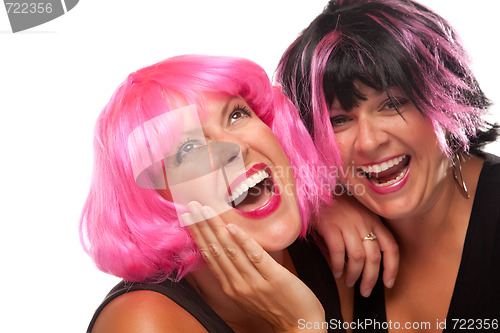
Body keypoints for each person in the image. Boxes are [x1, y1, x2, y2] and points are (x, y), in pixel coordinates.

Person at [80, 54, 397, 332]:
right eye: (189, 147)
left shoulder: (328, 252)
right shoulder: (141, 322)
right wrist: (298, 325)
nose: (236, 148)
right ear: (158, 199)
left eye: (236, 114)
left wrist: (331, 202)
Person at [276, 0, 500, 331]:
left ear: (446, 98)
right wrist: (315, 204)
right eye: (339, 120)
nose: (368, 142)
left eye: (392, 104)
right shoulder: (328, 243)